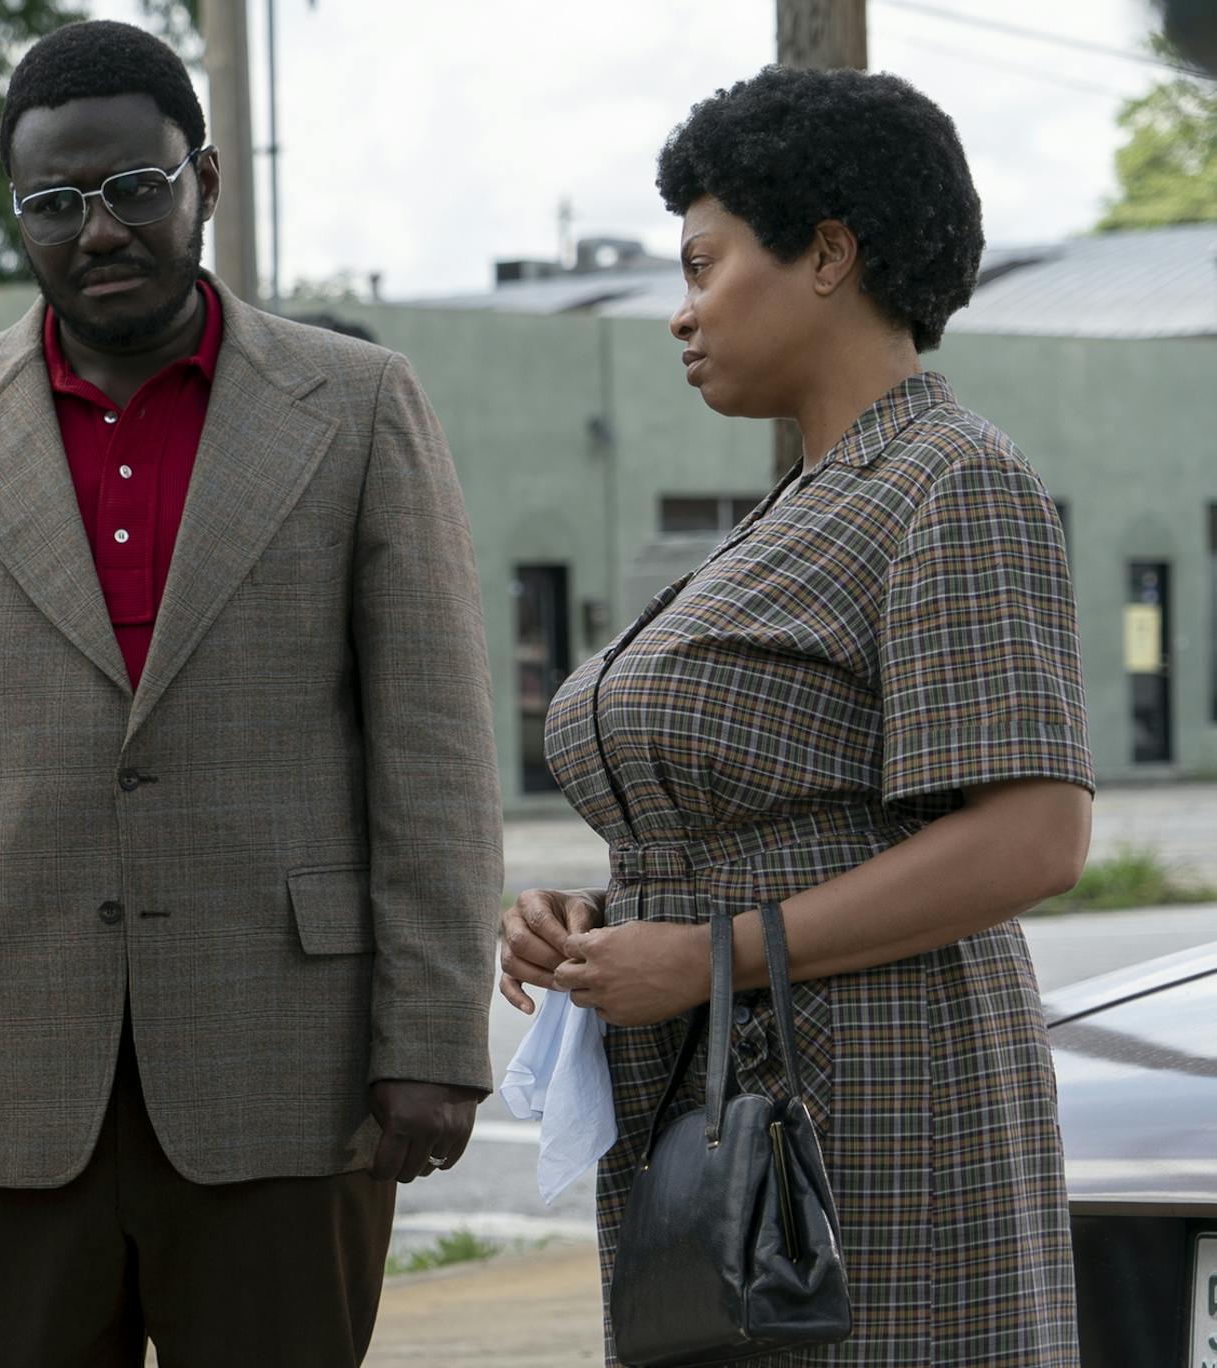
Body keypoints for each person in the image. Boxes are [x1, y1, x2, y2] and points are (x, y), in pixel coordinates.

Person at [0, 19, 504, 1367]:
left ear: (205, 180)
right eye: (56, 204)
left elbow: (431, 742)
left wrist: (433, 1033)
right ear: (20, 217)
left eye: (135, 187)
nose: (102, 229)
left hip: (288, 1069)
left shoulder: (357, 406)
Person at [503, 66, 1092, 1365]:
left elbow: (1034, 838)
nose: (681, 312)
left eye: (705, 265)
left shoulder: (953, 480)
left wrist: (708, 953)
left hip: (873, 1104)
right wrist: (594, 932)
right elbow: (759, 808)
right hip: (734, 1107)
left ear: (828, 254)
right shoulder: (802, 506)